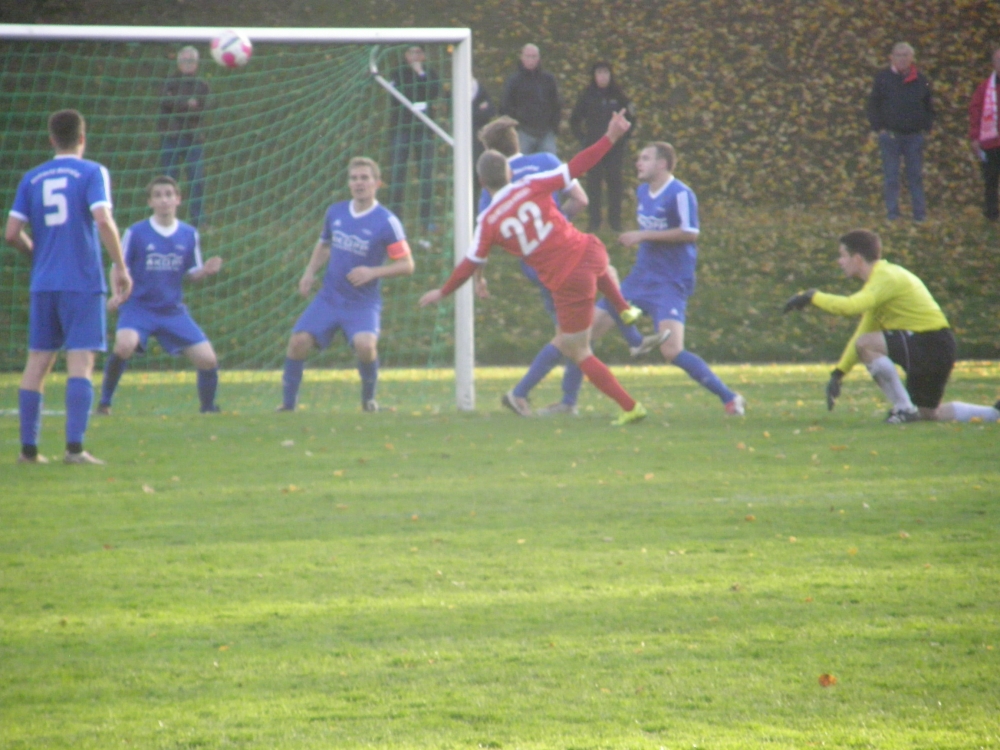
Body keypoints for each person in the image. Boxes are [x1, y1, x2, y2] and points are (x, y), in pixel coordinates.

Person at [420, 110, 649, 427]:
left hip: (567, 279)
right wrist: (611, 136)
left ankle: (630, 406)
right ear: (509, 172)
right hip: (589, 249)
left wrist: (443, 291)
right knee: (599, 268)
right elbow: (578, 165)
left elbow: (470, 264)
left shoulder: (488, 221)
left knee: (577, 349)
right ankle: (624, 309)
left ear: (482, 182)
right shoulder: (532, 184)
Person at [475, 116, 666, 417]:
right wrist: (555, 227)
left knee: (576, 331)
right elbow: (580, 200)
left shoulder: (491, 190)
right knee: (574, 336)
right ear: (516, 140)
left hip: (540, 266)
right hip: (567, 258)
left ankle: (551, 394)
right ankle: (537, 395)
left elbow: (485, 236)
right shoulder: (546, 161)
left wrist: (483, 275)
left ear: (491, 154)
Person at [5, 109, 133, 464]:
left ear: (51, 139)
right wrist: (121, 267)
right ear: (82, 138)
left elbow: (11, 233)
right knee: (81, 360)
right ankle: (74, 449)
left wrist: (37, 253)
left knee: (38, 361)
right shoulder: (92, 172)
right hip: (81, 281)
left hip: (44, 282)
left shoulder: (31, 178)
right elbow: (102, 219)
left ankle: (28, 452)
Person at [590, 142, 745, 416]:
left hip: (670, 282)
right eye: (639, 158)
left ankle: (730, 398)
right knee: (585, 333)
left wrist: (642, 235)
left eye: (645, 158)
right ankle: (567, 403)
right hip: (640, 277)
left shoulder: (681, 193)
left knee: (672, 351)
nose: (638, 163)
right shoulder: (642, 192)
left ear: (662, 164)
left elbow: (690, 232)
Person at [783, 229, 999, 424]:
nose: (839, 261)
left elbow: (851, 307)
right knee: (929, 414)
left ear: (857, 258)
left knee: (867, 346)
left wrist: (812, 296)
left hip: (929, 340)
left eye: (842, 255)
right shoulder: (881, 281)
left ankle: (903, 408)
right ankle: (994, 414)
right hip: (938, 345)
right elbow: (864, 330)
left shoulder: (884, 276)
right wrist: (839, 373)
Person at [279, 157, 414, 413]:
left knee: (366, 346)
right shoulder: (336, 212)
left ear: (377, 183)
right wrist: (309, 273)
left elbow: (407, 265)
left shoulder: (387, 221)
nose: (359, 183)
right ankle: (287, 406)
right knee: (298, 341)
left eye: (364, 178)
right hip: (329, 297)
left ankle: (368, 401)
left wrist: (373, 272)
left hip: (362, 303)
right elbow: (324, 244)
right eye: (354, 178)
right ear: (349, 183)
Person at [98, 176, 222, 415]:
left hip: (171, 310)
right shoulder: (136, 232)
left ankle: (208, 409)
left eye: (168, 194)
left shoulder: (189, 234)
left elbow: (192, 274)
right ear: (150, 202)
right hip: (138, 307)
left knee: (208, 360)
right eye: (158, 195)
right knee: (124, 345)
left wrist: (205, 271)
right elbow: (117, 266)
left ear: (178, 199)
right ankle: (104, 404)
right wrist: (116, 295)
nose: (164, 200)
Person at [866, 42, 934, 222]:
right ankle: (893, 215)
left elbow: (928, 105)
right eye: (898, 55)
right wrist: (879, 128)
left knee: (915, 177)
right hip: (890, 136)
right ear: (892, 57)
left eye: (905, 55)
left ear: (911, 58)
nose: (902, 59)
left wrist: (926, 127)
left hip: (914, 136)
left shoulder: (922, 79)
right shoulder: (882, 78)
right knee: (891, 177)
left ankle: (919, 215)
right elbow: (873, 104)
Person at [570, 61, 635, 232]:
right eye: (599, 73)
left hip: (615, 147)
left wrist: (623, 136)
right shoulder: (587, 96)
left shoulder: (619, 96)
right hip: (594, 147)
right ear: (594, 76)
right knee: (593, 183)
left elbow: (631, 118)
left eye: (606, 72)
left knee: (615, 182)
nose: (603, 76)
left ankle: (615, 222)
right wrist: (584, 139)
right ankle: (594, 221)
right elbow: (574, 120)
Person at [387, 45, 441, 234]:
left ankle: (427, 220)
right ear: (405, 55)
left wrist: (421, 75)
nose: (415, 56)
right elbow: (398, 97)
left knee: (426, 175)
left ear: (424, 55)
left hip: (423, 131)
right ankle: (394, 219)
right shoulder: (398, 73)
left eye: (418, 52)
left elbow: (432, 92)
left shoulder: (430, 74)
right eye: (411, 52)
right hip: (401, 130)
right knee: (397, 175)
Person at [159, 46, 210, 228]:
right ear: (178, 62)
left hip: (193, 139)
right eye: (184, 60)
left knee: (197, 180)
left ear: (196, 64)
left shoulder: (202, 85)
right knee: (168, 181)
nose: (188, 64)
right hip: (171, 136)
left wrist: (180, 104)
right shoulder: (169, 82)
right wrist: (187, 104)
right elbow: (165, 102)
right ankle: (166, 219)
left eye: (191, 61)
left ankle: (199, 221)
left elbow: (203, 108)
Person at [500, 44, 561, 156]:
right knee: (521, 163)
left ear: (539, 58)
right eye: (528, 56)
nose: (531, 60)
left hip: (546, 132)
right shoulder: (514, 81)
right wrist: (515, 127)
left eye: (534, 56)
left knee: (550, 163)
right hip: (523, 132)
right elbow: (506, 106)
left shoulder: (548, 79)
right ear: (522, 58)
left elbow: (556, 104)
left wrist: (554, 127)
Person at [968, 47, 1000, 222]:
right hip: (991, 142)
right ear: (993, 64)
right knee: (991, 179)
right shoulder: (985, 88)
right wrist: (974, 137)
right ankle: (991, 214)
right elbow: (975, 112)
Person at [471, 76, 497, 195]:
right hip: (465, 142)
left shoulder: (480, 89)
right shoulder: (455, 90)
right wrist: (478, 110)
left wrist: (475, 113)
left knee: (481, 172)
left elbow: (491, 111)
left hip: (480, 141)